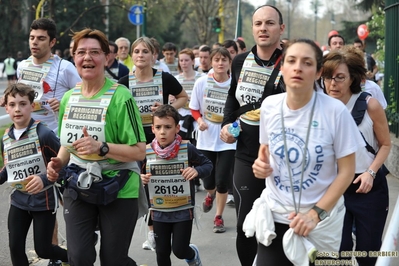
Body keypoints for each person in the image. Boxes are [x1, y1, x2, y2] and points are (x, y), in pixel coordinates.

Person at [247, 38, 364, 265]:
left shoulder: (335, 111)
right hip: (276, 212)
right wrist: (260, 166)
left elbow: (347, 172)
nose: (298, 67)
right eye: (291, 61)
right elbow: (265, 150)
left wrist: (315, 214)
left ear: (319, 72)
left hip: (320, 221)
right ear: (282, 68)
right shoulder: (270, 106)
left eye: (307, 63)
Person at [46, 28, 146, 265]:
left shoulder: (122, 97)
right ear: (74, 58)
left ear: (106, 57)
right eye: (81, 52)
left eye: (94, 52)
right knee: (79, 257)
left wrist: (101, 148)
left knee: (113, 260)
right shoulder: (69, 98)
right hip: (79, 182)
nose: (87, 58)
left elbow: (140, 151)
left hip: (119, 185)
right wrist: (59, 163)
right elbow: (67, 145)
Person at [219, 5, 285, 265]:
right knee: (246, 225)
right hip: (246, 154)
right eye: (258, 24)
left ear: (281, 28)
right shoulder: (239, 61)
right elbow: (232, 98)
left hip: (282, 157)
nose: (263, 28)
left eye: (269, 23)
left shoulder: (291, 61)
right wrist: (226, 125)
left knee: (279, 225)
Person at [118, 36, 188, 251]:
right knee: (142, 184)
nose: (141, 55)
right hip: (135, 142)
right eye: (137, 51)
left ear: (153, 56)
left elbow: (183, 97)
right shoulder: (124, 82)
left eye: (145, 52)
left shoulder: (164, 78)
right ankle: (153, 231)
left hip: (161, 140)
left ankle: (155, 232)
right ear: (132, 55)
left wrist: (168, 106)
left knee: (156, 185)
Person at [323, 46, 391, 266]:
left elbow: (386, 145)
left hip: (368, 187)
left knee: (368, 252)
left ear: (353, 78)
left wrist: (371, 173)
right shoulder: (318, 107)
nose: (332, 84)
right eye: (328, 77)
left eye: (340, 78)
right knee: (336, 254)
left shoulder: (370, 104)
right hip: (333, 188)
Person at [0, 83, 68, 266]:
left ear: (32, 106)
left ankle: (73, 258)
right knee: (15, 247)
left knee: (43, 250)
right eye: (12, 104)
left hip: (43, 201)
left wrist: (45, 178)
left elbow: (64, 164)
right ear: (6, 107)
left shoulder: (44, 134)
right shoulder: (6, 138)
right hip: (19, 200)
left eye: (23, 104)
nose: (17, 109)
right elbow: (9, 168)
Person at [140, 104, 212, 266]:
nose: (163, 131)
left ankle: (192, 255)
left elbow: (207, 165)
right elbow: (133, 173)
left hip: (182, 210)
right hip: (158, 210)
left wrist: (196, 171)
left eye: (168, 127)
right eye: (158, 127)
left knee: (180, 250)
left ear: (177, 128)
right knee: (162, 252)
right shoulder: (147, 151)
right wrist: (140, 178)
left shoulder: (187, 148)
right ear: (152, 129)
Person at [190, 47, 236, 234]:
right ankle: (210, 194)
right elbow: (194, 108)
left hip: (227, 139)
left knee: (223, 180)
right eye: (216, 59)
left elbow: (240, 110)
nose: (220, 63)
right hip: (206, 138)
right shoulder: (202, 83)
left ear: (229, 63)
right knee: (209, 181)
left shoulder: (235, 85)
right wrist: (200, 121)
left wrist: (235, 128)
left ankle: (218, 216)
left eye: (224, 60)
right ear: (211, 62)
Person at [16, 18, 81, 134]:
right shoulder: (22, 66)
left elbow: (85, 99)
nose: (35, 42)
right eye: (32, 38)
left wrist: (64, 105)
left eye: (41, 38)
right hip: (28, 137)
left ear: (52, 42)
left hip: (55, 140)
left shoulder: (65, 67)